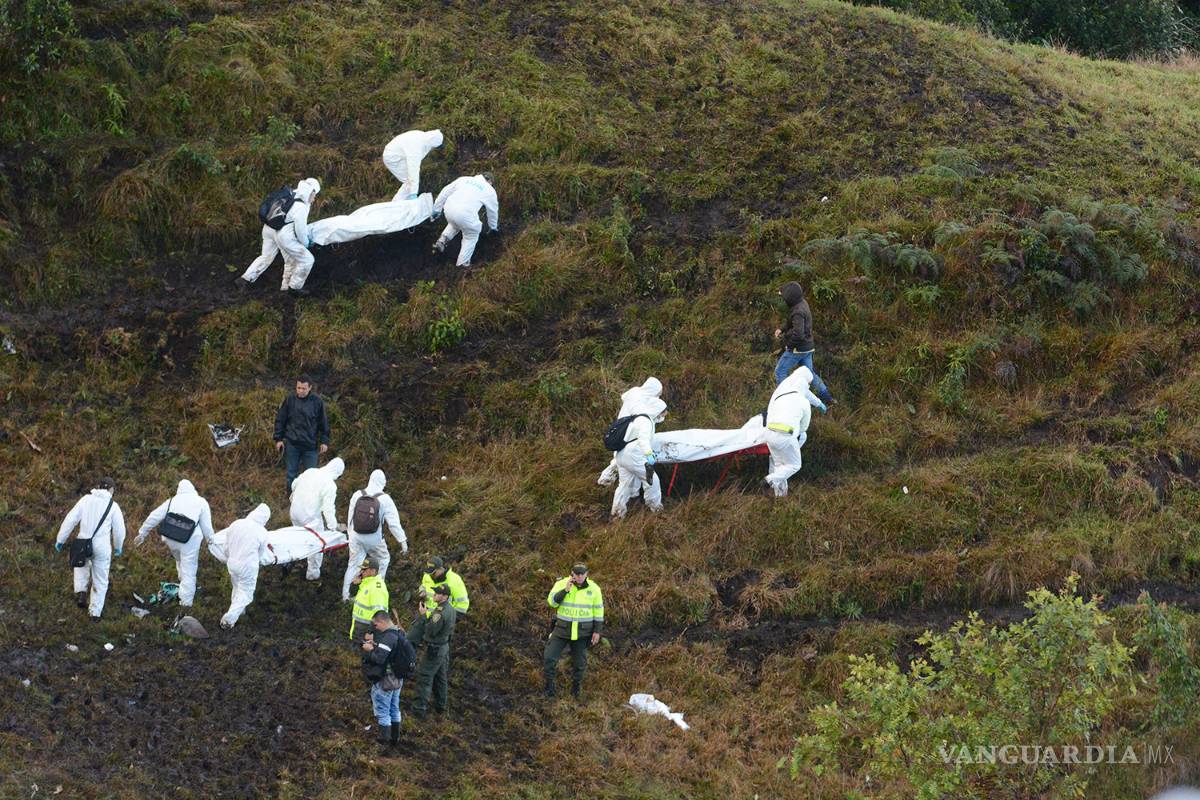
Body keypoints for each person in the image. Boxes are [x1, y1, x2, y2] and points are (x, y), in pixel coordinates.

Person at [133, 479, 215, 607]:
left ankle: (182, 581)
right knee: (189, 568)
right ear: (193, 490)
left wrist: (142, 533)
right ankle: (186, 603)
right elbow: (207, 527)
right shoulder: (201, 502)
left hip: (170, 538)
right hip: (190, 541)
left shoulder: (172, 501)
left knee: (179, 559)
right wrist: (212, 542)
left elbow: (154, 516)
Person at [54, 477, 127, 620]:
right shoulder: (113, 506)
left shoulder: (86, 500)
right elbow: (119, 530)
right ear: (111, 490)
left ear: (98, 487)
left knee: (81, 567)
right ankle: (95, 613)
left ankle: (81, 592)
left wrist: (60, 540)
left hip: (83, 541)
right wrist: (118, 546)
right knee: (100, 578)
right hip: (102, 546)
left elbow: (70, 519)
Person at [237, 177, 321, 297]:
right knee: (304, 259)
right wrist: (306, 243)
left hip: (268, 228)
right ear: (311, 191)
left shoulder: (291, 193)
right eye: (315, 194)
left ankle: (244, 280)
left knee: (266, 257)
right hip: (282, 234)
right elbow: (300, 230)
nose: (315, 197)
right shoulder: (302, 206)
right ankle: (292, 288)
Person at [342, 469, 409, 602]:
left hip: (356, 536)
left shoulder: (357, 495)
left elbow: (350, 518)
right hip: (374, 539)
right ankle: (377, 591)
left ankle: (346, 597)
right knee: (383, 559)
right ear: (383, 483)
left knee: (354, 564)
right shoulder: (385, 499)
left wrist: (351, 536)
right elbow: (393, 524)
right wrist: (403, 542)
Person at [544, 564, 604, 700]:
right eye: (577, 574)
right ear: (572, 573)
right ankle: (550, 688)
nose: (579, 576)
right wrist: (565, 590)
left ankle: (576, 689)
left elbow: (598, 611)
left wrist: (597, 631)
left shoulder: (594, 589)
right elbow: (552, 603)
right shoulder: (561, 584)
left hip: (582, 633)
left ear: (587, 574)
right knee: (549, 657)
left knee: (580, 664)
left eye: (582, 574)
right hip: (561, 630)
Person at [764, 365, 823, 497]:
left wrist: (818, 403)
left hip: (769, 431)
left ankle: (780, 495)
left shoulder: (786, 388)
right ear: (806, 383)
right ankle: (770, 480)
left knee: (780, 466)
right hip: (786, 434)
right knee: (794, 465)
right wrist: (797, 434)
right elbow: (804, 427)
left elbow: (806, 393)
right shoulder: (803, 401)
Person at [774, 281, 835, 406]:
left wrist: (789, 346)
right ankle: (827, 398)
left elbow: (798, 334)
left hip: (798, 349)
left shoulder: (797, 312)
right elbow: (792, 322)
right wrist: (782, 329)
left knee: (780, 372)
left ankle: (787, 402)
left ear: (790, 299)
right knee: (810, 373)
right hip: (808, 347)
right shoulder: (801, 303)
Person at [361, 610, 414, 748]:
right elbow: (391, 652)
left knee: (383, 710)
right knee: (394, 708)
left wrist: (369, 650)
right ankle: (394, 739)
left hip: (387, 680)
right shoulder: (399, 632)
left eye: (376, 625)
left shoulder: (388, 637)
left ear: (382, 622)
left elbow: (379, 658)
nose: (375, 628)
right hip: (398, 679)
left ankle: (384, 742)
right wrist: (377, 645)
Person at [610, 393, 667, 519]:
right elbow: (643, 440)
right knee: (652, 480)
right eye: (663, 411)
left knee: (624, 485)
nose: (665, 414)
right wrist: (649, 456)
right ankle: (655, 509)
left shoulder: (638, 417)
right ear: (657, 410)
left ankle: (617, 514)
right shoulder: (646, 421)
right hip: (634, 456)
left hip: (621, 455)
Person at [598, 377, 664, 486]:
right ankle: (605, 480)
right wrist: (659, 415)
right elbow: (642, 415)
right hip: (629, 429)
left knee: (622, 458)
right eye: (658, 393)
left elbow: (624, 397)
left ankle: (628, 490)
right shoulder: (641, 399)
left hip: (622, 424)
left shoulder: (635, 391)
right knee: (622, 458)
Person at [289, 457, 344, 581]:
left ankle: (294, 561)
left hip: (294, 511)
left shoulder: (311, 471)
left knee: (298, 539)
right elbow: (328, 509)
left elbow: (294, 484)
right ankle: (312, 575)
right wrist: (333, 527)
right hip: (309, 517)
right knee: (316, 545)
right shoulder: (330, 484)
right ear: (338, 473)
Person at [274, 375, 331, 495]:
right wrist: (278, 439)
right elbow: (281, 419)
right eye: (298, 388)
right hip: (292, 444)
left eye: (304, 388)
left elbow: (323, 423)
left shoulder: (317, 402)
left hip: (310, 446)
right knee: (291, 474)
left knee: (310, 476)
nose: (300, 391)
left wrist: (325, 441)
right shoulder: (290, 399)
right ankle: (291, 498)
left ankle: (308, 499)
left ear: (310, 388)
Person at [219, 504, 272, 629]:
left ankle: (240, 611)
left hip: (232, 563)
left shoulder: (236, 524)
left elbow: (226, 546)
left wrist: (230, 557)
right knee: (246, 593)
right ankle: (229, 619)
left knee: (237, 587)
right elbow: (261, 553)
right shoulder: (262, 532)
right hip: (248, 566)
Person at [408, 584, 457, 719]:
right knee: (440, 678)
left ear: (445, 596)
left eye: (437, 593)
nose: (434, 595)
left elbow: (431, 630)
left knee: (425, 677)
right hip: (443, 647)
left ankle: (419, 709)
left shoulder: (439, 612)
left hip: (434, 649)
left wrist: (423, 616)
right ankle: (440, 706)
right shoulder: (450, 609)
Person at [431, 174, 499, 268]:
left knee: (455, 223)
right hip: (465, 215)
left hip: (449, 209)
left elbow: (445, 192)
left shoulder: (464, 179)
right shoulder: (489, 190)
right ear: (490, 181)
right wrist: (493, 227)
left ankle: (441, 241)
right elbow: (493, 211)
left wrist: (436, 209)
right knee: (471, 235)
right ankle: (463, 263)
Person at [382, 129, 444, 200]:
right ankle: (397, 205)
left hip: (397, 154)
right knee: (409, 182)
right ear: (432, 144)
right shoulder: (416, 147)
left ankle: (400, 204)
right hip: (393, 158)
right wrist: (414, 193)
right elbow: (413, 169)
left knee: (409, 183)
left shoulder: (421, 136)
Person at [349, 557, 389, 643]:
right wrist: (354, 584)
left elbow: (380, 613)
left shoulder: (377, 587)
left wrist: (371, 633)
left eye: (364, 570)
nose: (361, 572)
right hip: (359, 629)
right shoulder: (366, 583)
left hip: (367, 633)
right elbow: (352, 594)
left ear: (373, 571)